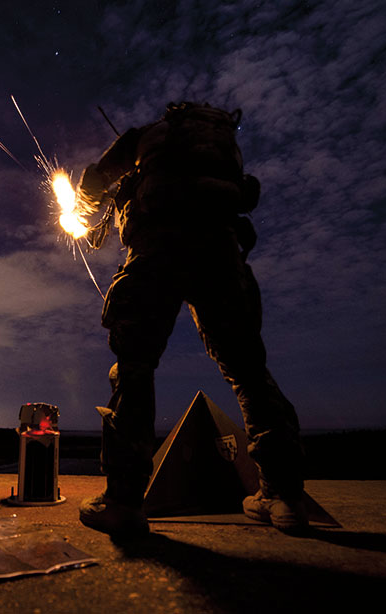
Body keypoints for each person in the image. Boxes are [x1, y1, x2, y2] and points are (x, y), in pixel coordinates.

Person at [76, 102, 306, 536]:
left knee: (134, 367)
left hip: (156, 252)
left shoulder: (147, 136)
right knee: (248, 372)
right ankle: (285, 498)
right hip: (221, 256)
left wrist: (104, 197)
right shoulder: (225, 149)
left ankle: (124, 503)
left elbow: (91, 184)